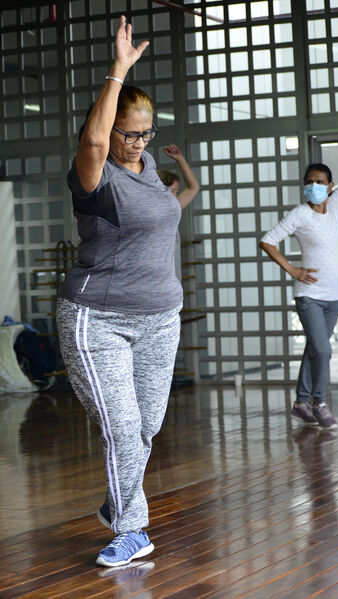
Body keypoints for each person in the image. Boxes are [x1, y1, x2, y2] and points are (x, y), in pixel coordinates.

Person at [56, 16, 183, 567]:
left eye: (145, 132)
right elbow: (93, 139)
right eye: (128, 133)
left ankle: (117, 505)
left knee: (148, 426)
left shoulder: (150, 167)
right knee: (123, 427)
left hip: (161, 315)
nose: (136, 143)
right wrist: (118, 71)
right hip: (97, 318)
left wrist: (148, 147)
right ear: (109, 131)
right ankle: (133, 528)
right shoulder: (95, 173)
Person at [259, 114, 338, 430]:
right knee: (323, 349)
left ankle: (300, 403)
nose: (314, 186)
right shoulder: (300, 215)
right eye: (310, 182)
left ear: (330, 187)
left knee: (314, 350)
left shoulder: (335, 205)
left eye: (320, 182)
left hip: (336, 295)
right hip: (310, 296)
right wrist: (292, 269)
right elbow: (267, 241)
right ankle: (319, 403)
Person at [158, 145, 200, 280]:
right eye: (172, 191)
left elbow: (193, 188)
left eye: (177, 192)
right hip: (158, 282)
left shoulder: (172, 209)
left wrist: (180, 159)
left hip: (173, 282)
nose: (175, 196)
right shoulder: (151, 214)